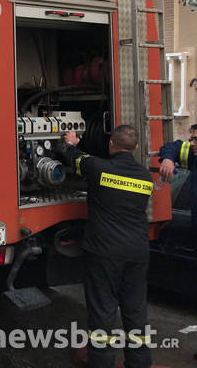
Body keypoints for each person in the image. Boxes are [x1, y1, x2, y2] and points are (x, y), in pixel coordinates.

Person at [63, 126, 153, 368]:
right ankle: (139, 362)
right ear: (135, 148)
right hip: (137, 253)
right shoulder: (146, 177)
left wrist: (71, 142)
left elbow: (73, 157)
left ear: (111, 144)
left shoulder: (98, 168)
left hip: (104, 253)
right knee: (135, 312)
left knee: (102, 311)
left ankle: (101, 362)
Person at [158, 124, 197, 227]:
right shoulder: (193, 156)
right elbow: (172, 147)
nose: (192, 144)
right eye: (191, 139)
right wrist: (167, 159)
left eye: (196, 139)